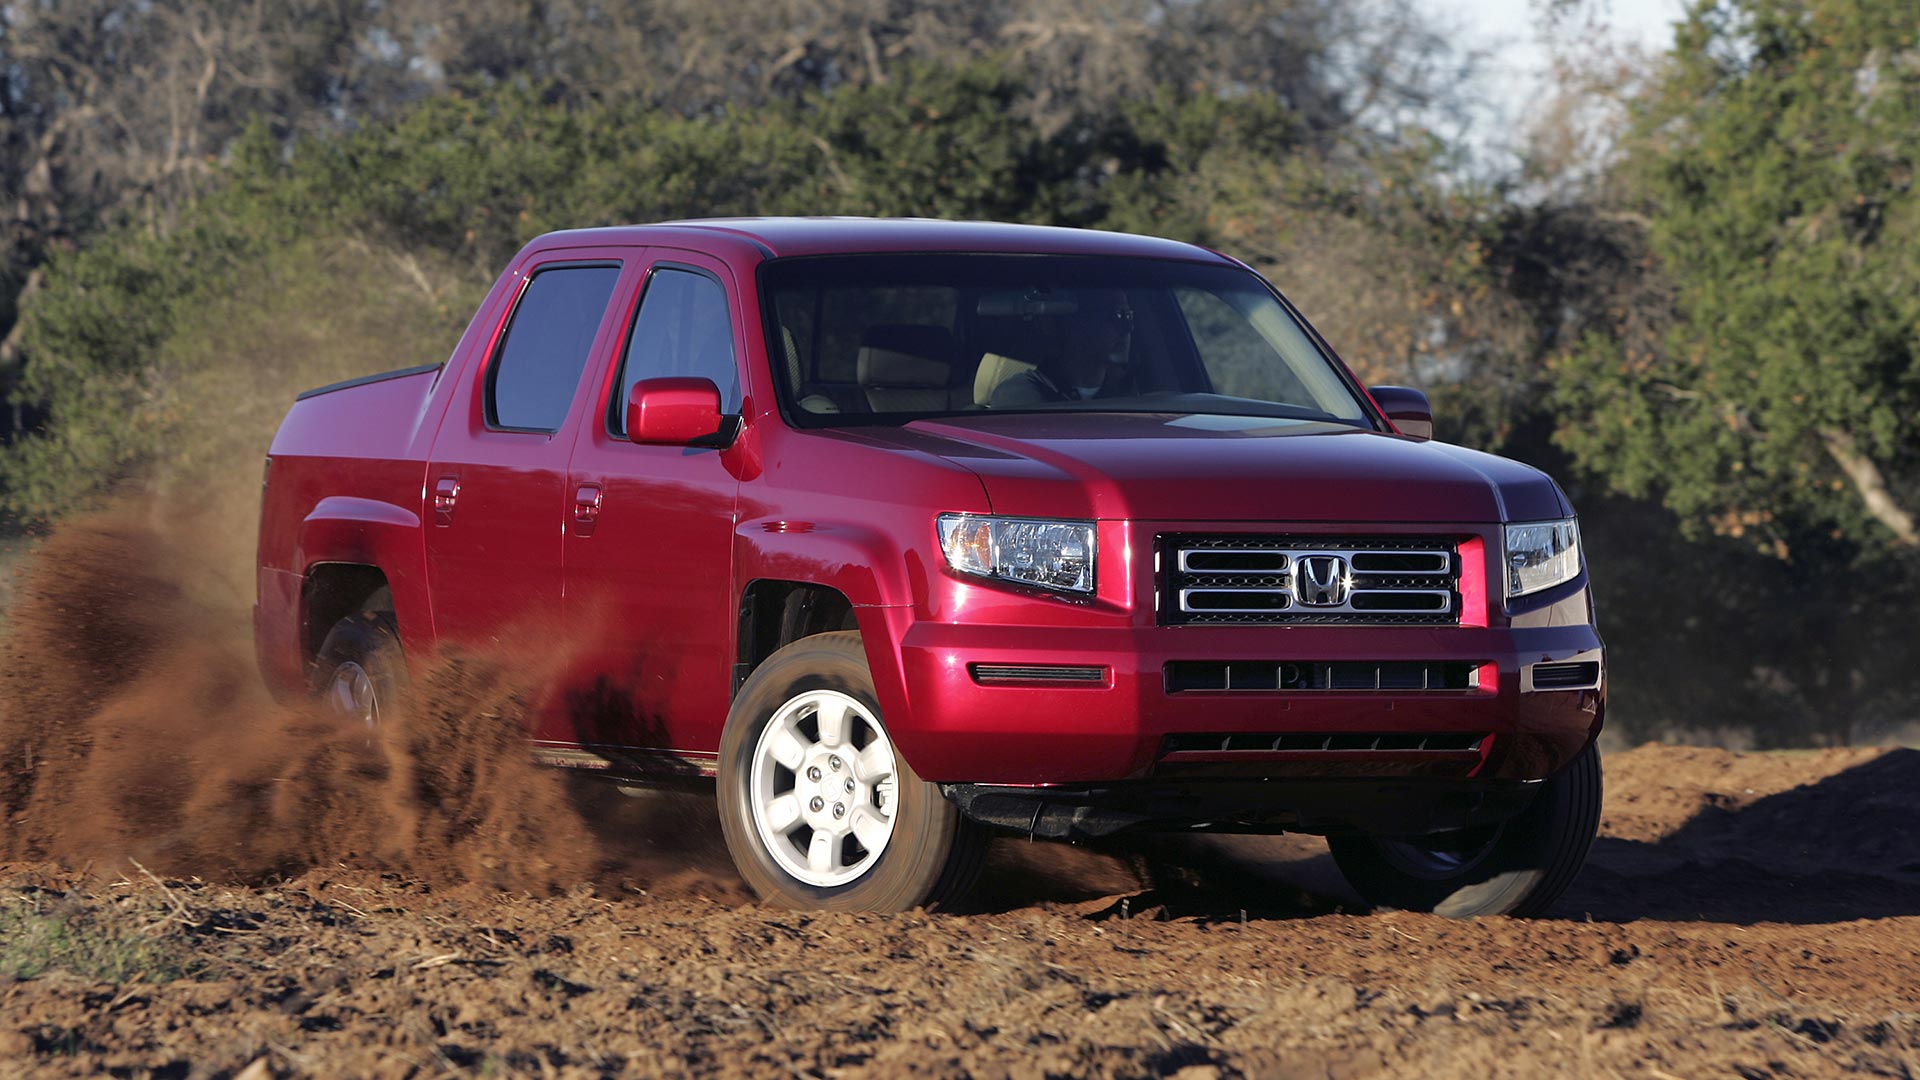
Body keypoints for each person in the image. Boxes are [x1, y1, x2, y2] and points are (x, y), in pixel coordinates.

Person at [985, 290, 1135, 406]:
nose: (1127, 328)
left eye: (1128, 316)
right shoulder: (1020, 396)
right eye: (1114, 315)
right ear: (1071, 325)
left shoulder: (1133, 394)